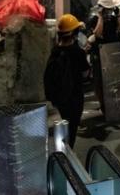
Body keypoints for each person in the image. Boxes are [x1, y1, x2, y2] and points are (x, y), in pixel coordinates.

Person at [44, 14, 88, 148]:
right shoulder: (78, 52)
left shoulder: (55, 50)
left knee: (65, 121)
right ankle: (67, 153)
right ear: (74, 33)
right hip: (74, 96)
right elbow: (85, 73)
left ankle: (62, 150)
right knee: (72, 126)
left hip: (60, 97)